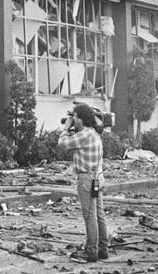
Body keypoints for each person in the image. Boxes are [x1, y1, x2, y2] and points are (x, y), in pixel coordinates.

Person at [57, 103, 109, 263]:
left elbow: (62, 143)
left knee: (89, 215)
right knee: (99, 214)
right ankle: (102, 249)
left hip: (86, 179)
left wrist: (66, 128)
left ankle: (90, 251)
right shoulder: (94, 132)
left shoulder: (84, 135)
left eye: (75, 117)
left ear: (80, 119)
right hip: (98, 177)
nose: (74, 120)